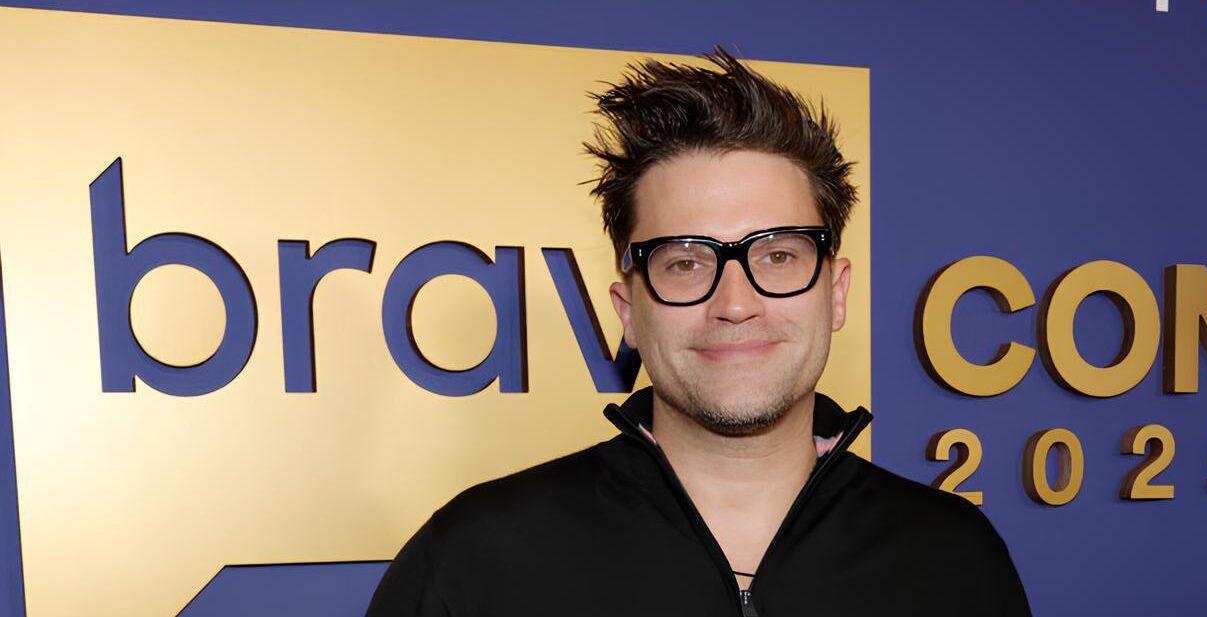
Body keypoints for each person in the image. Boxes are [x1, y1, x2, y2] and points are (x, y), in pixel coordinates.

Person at [365, 46, 1030, 617]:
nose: (734, 303)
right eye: (684, 263)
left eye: (778, 255)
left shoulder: (954, 558)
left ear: (836, 292)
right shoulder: (476, 559)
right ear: (628, 310)